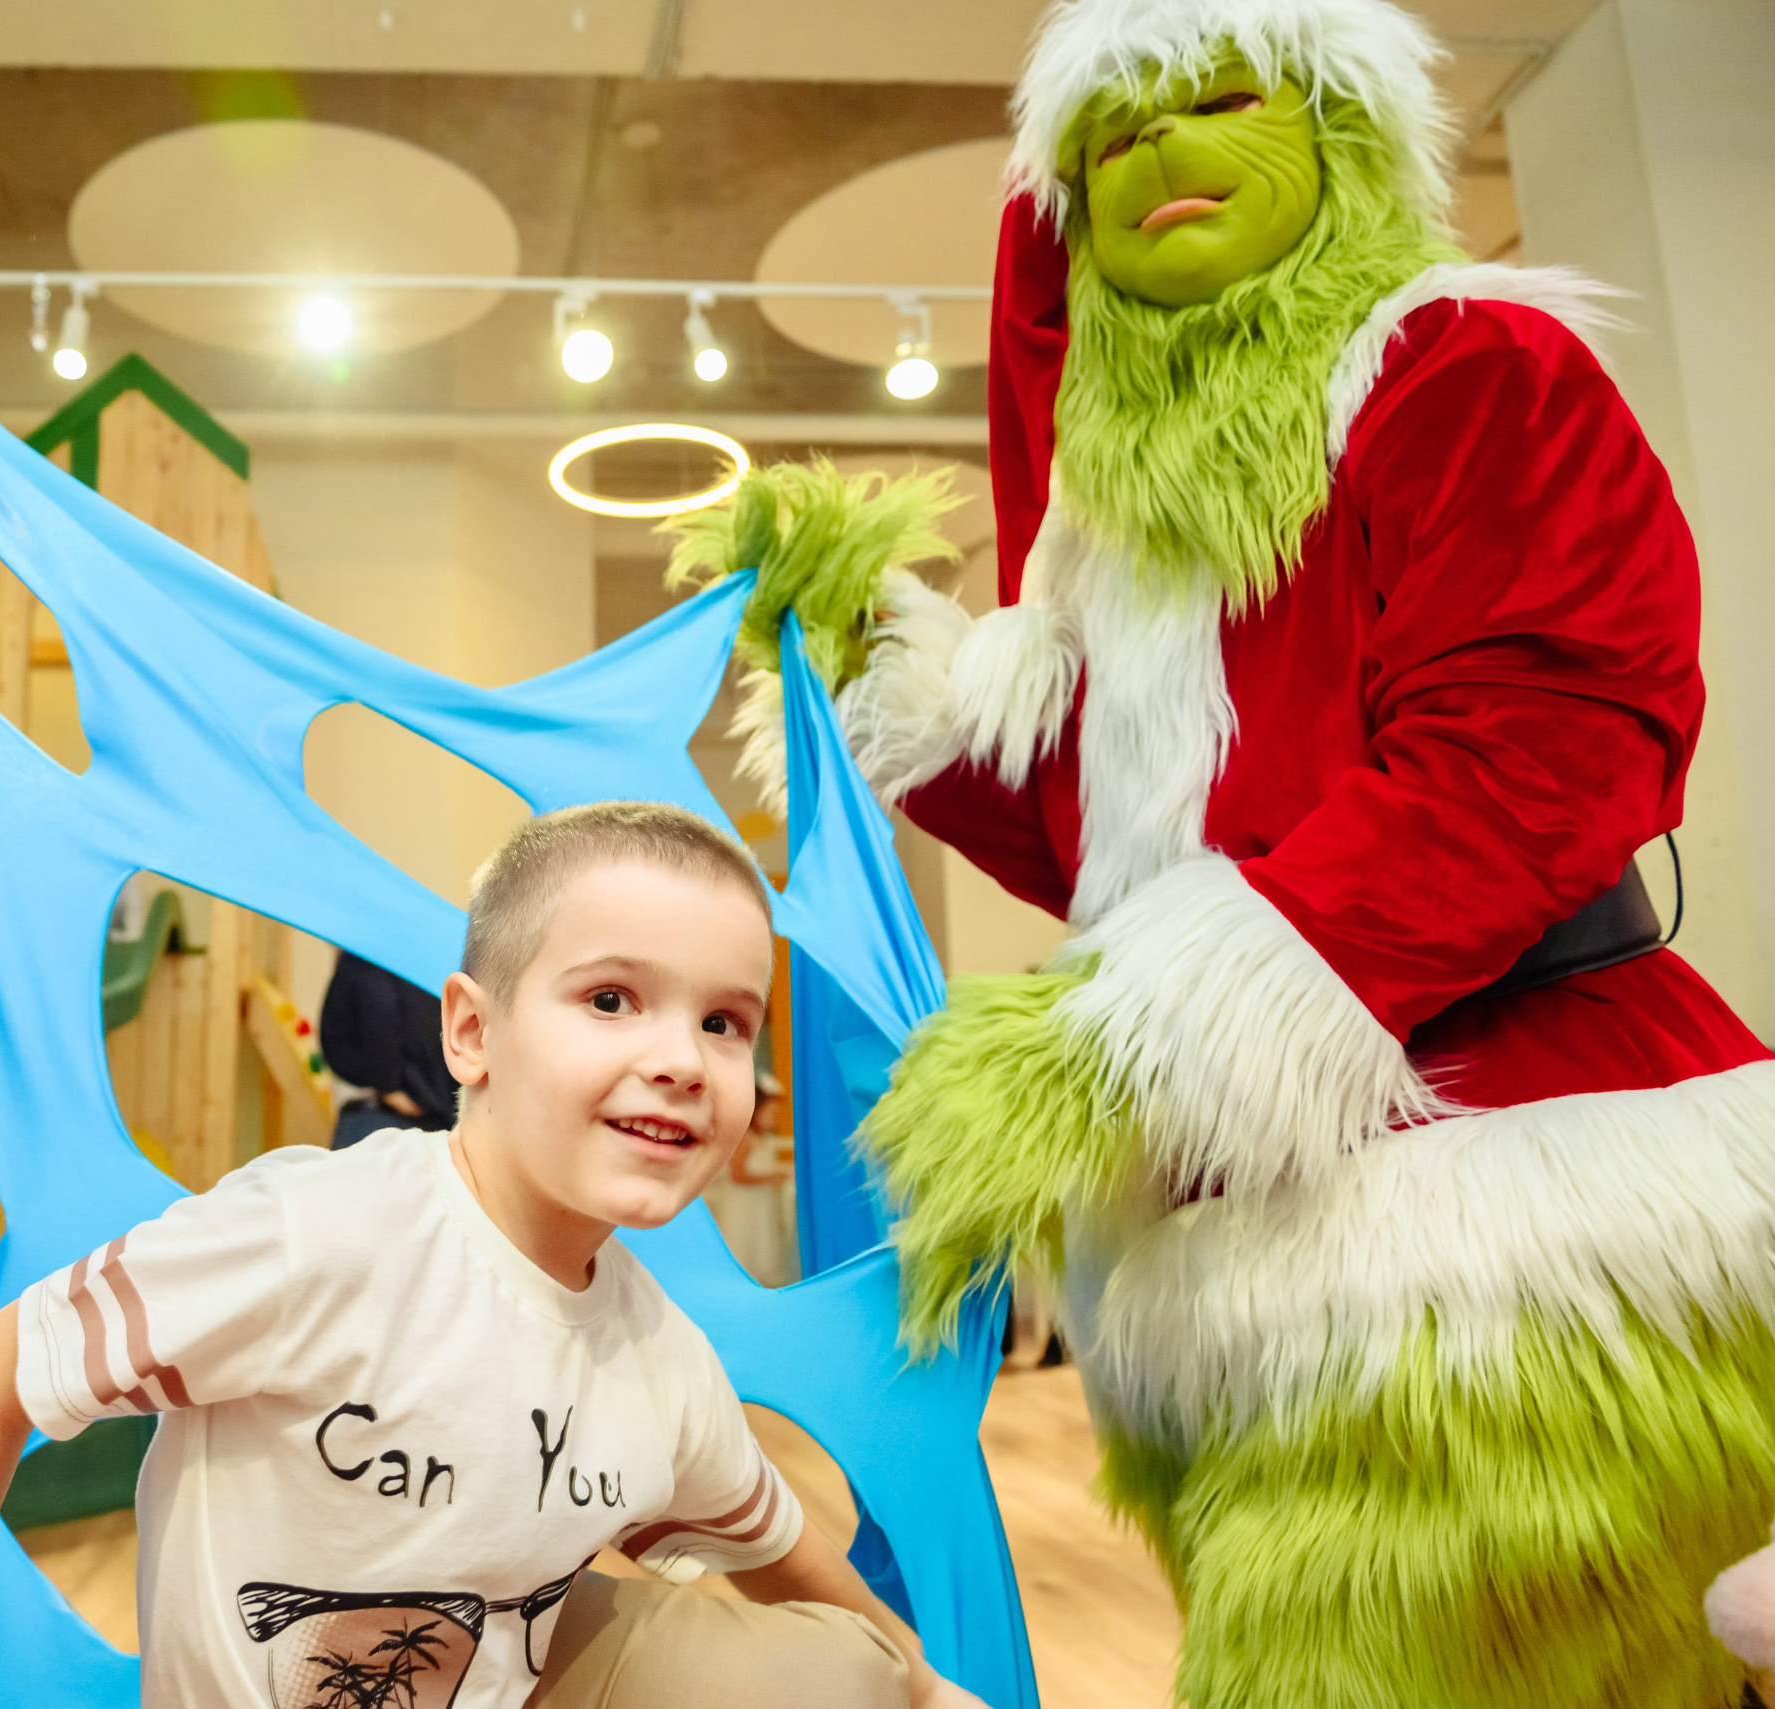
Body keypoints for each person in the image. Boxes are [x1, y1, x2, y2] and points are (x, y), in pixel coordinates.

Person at [706, 1, 1775, 1705]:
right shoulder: (1124, 556)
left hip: (1520, 1207)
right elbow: (1097, 836)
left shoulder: (1471, 370)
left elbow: (1542, 740)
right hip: (1236, 1249)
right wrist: (865, 658)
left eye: (1216, 99)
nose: (1156, 152)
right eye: (1106, 139)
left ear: (1340, 139)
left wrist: (1118, 1040)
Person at [0, 803, 987, 1709]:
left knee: (837, 1672)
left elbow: (802, 1570)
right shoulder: (315, 1237)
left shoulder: (656, 1363)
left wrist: (926, 1684)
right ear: (471, 1032)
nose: (680, 1056)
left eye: (724, 1021)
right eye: (614, 998)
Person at [319, 947, 460, 1148]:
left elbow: (378, 1011)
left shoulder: (365, 956)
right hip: (435, 1119)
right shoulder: (433, 963)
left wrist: (388, 1087)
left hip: (378, 1113)